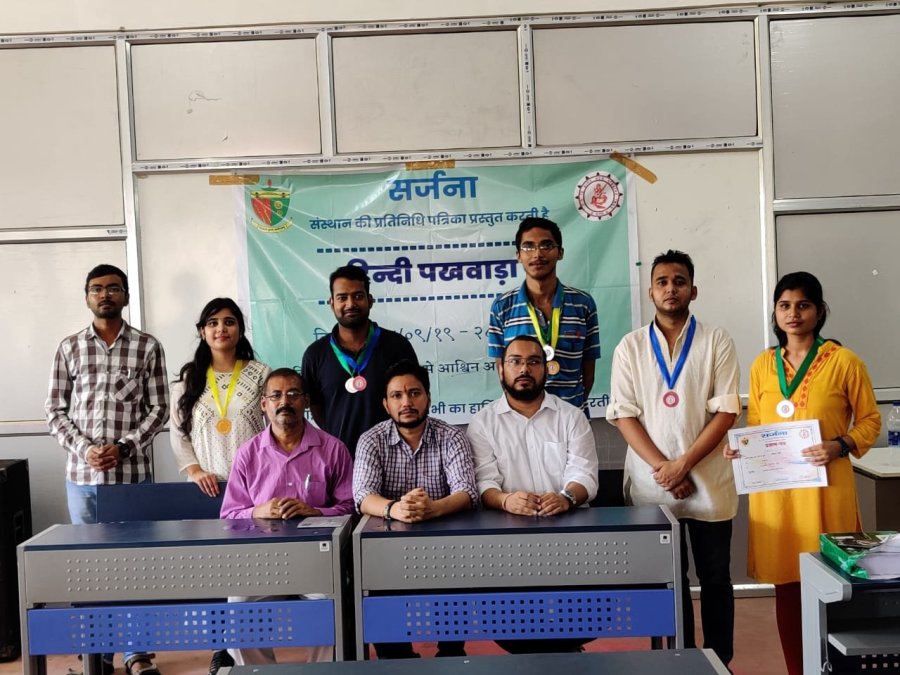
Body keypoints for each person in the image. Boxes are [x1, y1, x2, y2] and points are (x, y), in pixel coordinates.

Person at [725, 271, 880, 675]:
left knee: (835, 583)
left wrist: (839, 444)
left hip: (827, 490)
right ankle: (798, 669)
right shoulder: (763, 364)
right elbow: (758, 426)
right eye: (784, 305)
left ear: (820, 311)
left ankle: (836, 667)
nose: (793, 313)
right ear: (775, 312)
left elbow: (870, 421)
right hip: (778, 497)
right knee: (787, 588)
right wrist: (743, 448)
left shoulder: (844, 361)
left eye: (803, 305)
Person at [606, 250, 740, 668]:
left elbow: (727, 411)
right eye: (662, 282)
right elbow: (623, 415)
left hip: (708, 484)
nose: (670, 288)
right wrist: (665, 469)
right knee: (668, 583)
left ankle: (720, 662)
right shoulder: (630, 347)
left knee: (716, 579)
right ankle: (675, 662)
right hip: (654, 487)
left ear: (693, 290)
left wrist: (683, 465)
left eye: (679, 281)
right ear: (650, 292)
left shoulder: (716, 340)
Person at [45, 263, 168, 675]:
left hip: (132, 480)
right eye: (97, 289)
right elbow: (55, 410)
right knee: (89, 566)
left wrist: (125, 447)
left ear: (126, 296)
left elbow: (159, 408)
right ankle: (96, 653)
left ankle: (137, 653)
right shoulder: (69, 348)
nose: (105, 295)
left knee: (135, 565)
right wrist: (85, 450)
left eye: (113, 288)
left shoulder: (148, 347)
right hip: (83, 481)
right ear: (87, 297)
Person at [468, 335, 598, 654]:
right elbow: (484, 483)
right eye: (515, 361)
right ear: (501, 369)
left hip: (569, 539)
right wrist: (505, 500)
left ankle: (567, 653)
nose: (524, 369)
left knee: (576, 622)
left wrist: (566, 498)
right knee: (513, 630)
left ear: (546, 369)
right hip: (508, 544)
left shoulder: (571, 417)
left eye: (533, 362)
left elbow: (585, 474)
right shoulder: (483, 424)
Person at [220, 367, 354, 666]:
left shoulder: (333, 449)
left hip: (317, 560)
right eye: (276, 395)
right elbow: (229, 516)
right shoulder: (248, 454)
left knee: (331, 611)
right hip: (260, 561)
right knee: (238, 614)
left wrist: (316, 512)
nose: (285, 402)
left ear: (305, 401)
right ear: (263, 404)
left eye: (293, 394)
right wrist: (257, 511)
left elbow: (350, 508)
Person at [169, 297, 270, 675]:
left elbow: (274, 429)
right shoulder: (189, 379)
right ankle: (220, 647)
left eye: (229, 321)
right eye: (212, 323)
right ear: (202, 331)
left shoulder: (261, 374)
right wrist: (194, 470)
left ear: (240, 329)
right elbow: (178, 433)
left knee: (251, 575)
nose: (221, 329)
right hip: (206, 490)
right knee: (213, 572)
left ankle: (245, 648)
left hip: (254, 491)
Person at [353, 359, 479, 659]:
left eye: (414, 393)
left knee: (455, 589)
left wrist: (432, 509)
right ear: (386, 404)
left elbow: (467, 492)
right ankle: (397, 659)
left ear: (428, 398)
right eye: (397, 395)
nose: (406, 402)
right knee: (379, 595)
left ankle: (450, 653)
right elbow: (362, 495)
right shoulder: (371, 440)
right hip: (387, 550)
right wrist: (395, 509)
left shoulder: (451, 436)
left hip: (444, 549)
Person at [301, 265, 418, 456]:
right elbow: (316, 406)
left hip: (395, 456)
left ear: (369, 300)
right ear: (331, 303)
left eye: (357, 296)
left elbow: (414, 396)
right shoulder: (315, 354)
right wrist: (337, 436)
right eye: (342, 298)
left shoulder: (397, 346)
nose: (350, 304)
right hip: (340, 457)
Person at [488, 217, 600, 412]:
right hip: (522, 419)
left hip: (571, 417)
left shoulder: (583, 304)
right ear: (518, 255)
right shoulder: (502, 307)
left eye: (546, 245)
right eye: (528, 247)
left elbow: (588, 373)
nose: (537, 254)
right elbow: (503, 373)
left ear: (560, 252)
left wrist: (570, 412)